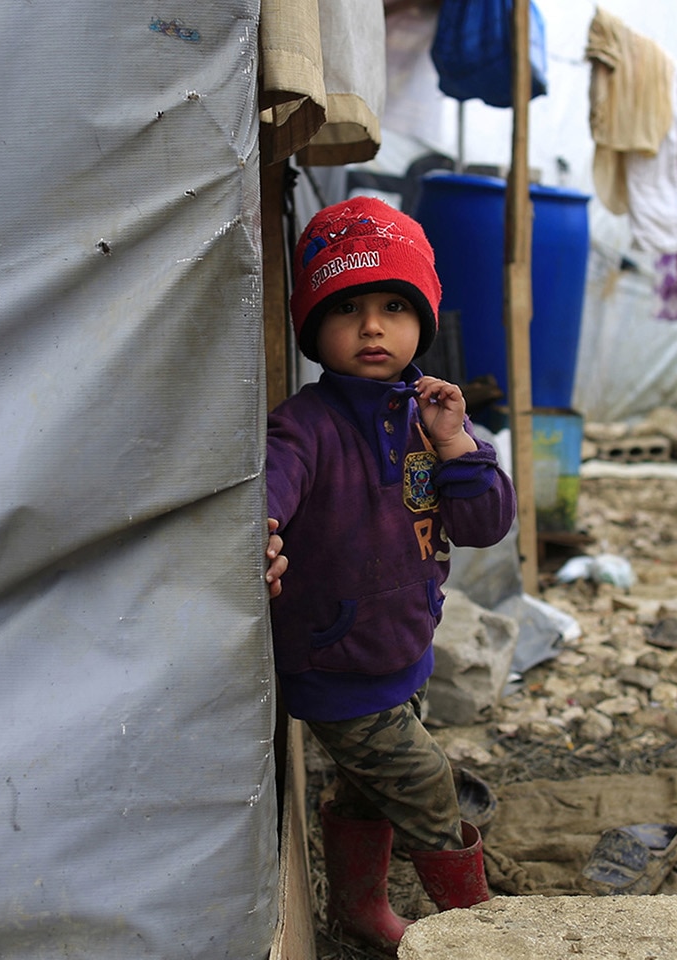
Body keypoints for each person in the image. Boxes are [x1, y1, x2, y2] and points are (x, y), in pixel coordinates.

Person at [265, 196, 516, 949]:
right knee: (428, 790)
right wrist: (261, 533)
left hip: (402, 650)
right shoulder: (304, 425)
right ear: (314, 328)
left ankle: (361, 915)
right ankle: (478, 932)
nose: (373, 327)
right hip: (336, 663)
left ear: (421, 321)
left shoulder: (432, 417)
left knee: (367, 791)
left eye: (394, 306)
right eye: (348, 309)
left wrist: (456, 447)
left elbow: (484, 523)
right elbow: (270, 488)